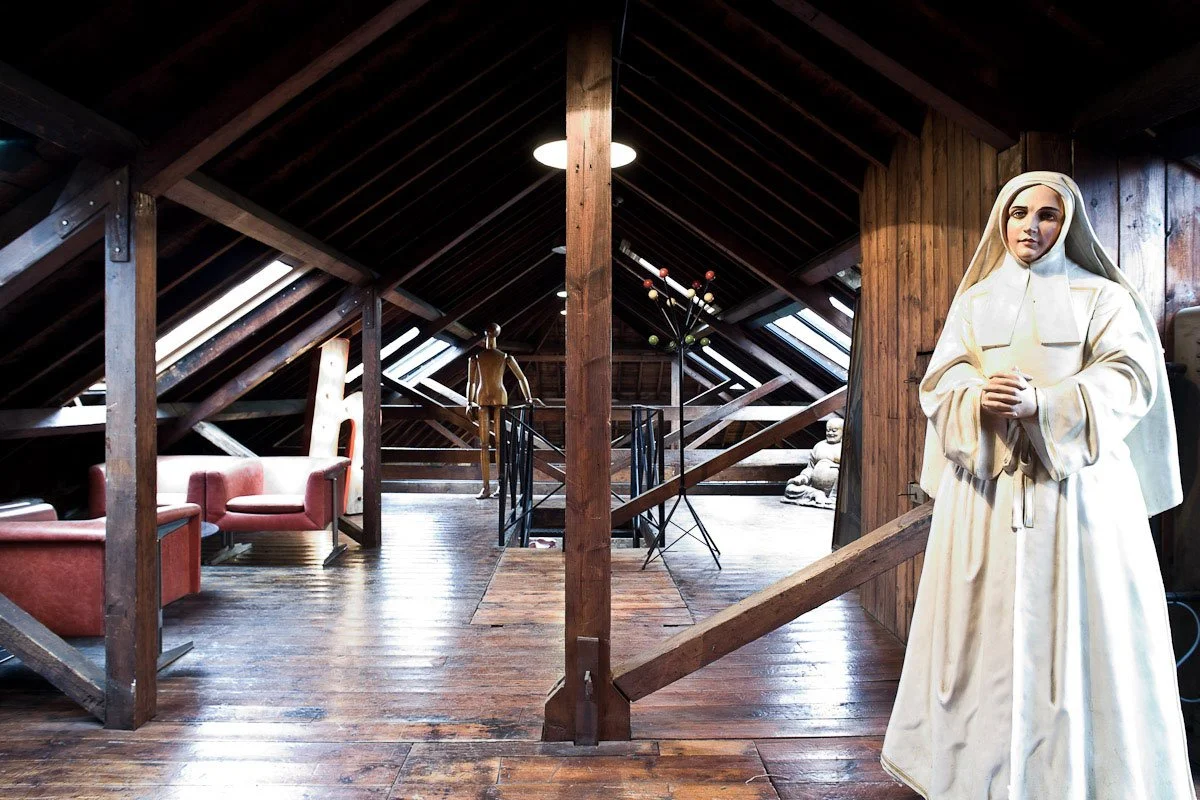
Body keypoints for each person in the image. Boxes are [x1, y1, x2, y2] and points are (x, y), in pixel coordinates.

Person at [880, 171, 1194, 799]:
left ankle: (1083, 779)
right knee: (982, 640)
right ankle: (977, 777)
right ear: (1002, 221)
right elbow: (941, 384)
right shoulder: (974, 302)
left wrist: (1044, 406)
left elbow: (1130, 379)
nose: (1030, 226)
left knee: (1082, 634)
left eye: (1046, 215)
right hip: (988, 500)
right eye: (1018, 213)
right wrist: (979, 400)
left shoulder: (1101, 297)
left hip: (1076, 500)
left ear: (1068, 224)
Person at [466, 323, 536, 499]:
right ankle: (486, 487)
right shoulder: (476, 358)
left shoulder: (504, 357)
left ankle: (500, 485)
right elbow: (471, 382)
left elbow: (521, 377)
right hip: (482, 399)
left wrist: (529, 398)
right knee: (484, 445)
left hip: (498, 398)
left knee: (499, 445)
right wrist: (469, 402)